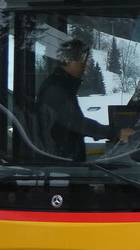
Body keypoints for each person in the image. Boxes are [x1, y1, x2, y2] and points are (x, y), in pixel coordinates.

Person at [38, 33, 131, 161]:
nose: (86, 67)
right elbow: (75, 122)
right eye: (83, 62)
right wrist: (116, 133)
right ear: (69, 60)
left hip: (64, 161)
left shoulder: (64, 86)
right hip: (59, 166)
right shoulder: (55, 90)